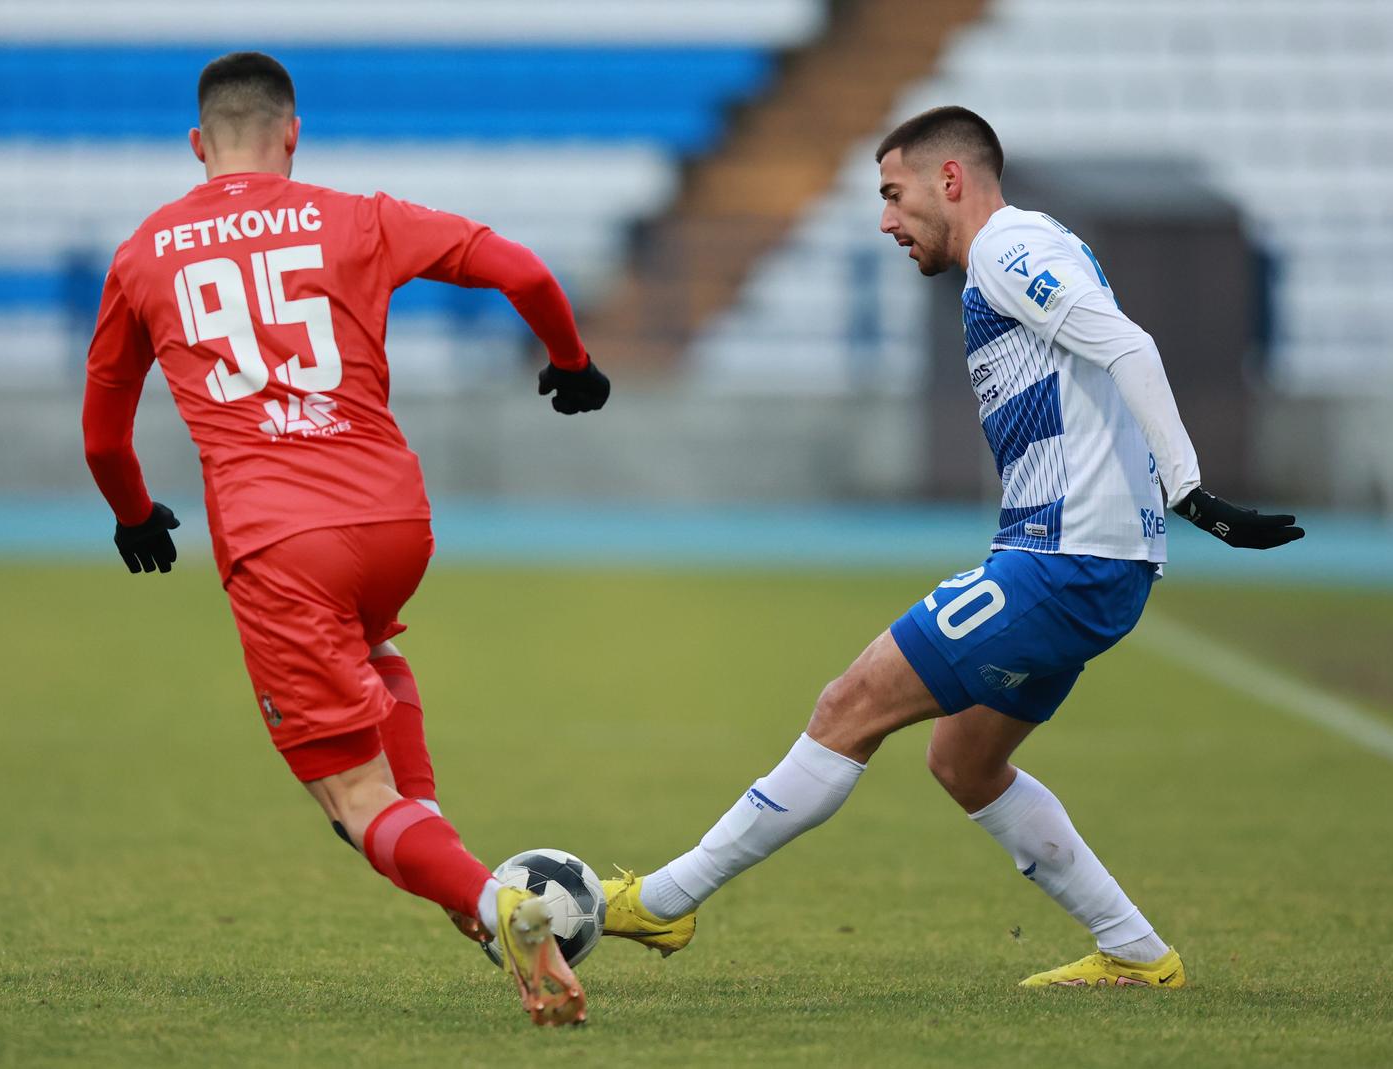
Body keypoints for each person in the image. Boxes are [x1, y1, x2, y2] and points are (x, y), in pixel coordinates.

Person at [599, 106, 1303, 988]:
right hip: (1088, 563)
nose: (886, 220)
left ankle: (665, 899)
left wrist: (1187, 486)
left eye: (894, 195)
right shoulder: (1024, 251)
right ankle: (1134, 952)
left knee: (848, 704)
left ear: (951, 180)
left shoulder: (1011, 250)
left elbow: (1131, 344)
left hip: (1065, 561)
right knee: (965, 761)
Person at [81, 51, 610, 1026]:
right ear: (291, 133)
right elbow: (522, 269)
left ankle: (496, 904)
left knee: (352, 802)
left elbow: (104, 427)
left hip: (280, 540)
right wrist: (570, 361)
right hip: (393, 518)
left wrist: (133, 511)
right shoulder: (353, 214)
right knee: (370, 656)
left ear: (200, 143)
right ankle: (477, 899)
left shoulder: (145, 251)